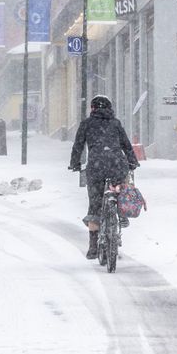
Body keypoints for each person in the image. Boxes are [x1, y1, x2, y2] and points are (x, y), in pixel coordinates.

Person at [68, 95, 139, 259]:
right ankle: (121, 213)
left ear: (92, 109)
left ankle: (93, 247)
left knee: (95, 204)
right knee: (121, 188)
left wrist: (75, 164)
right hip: (117, 165)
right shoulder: (115, 123)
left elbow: (78, 146)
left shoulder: (86, 124)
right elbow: (126, 145)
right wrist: (132, 162)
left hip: (96, 167)